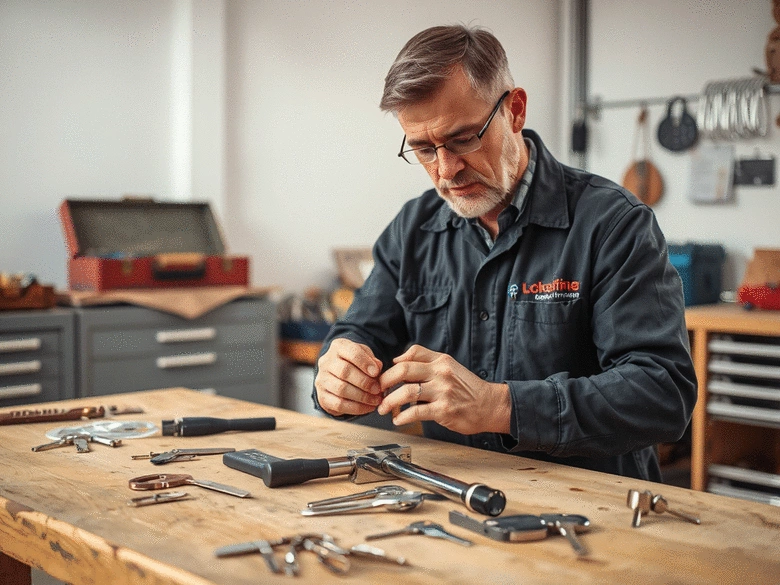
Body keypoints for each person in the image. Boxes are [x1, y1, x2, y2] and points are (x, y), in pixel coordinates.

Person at [312, 24, 697, 481]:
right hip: (453, 497)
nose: (446, 169)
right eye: (422, 149)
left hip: (594, 507)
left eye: (463, 139)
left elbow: (661, 394)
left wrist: (500, 406)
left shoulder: (613, 224)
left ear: (515, 110)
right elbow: (359, 332)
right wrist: (337, 371)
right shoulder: (413, 228)